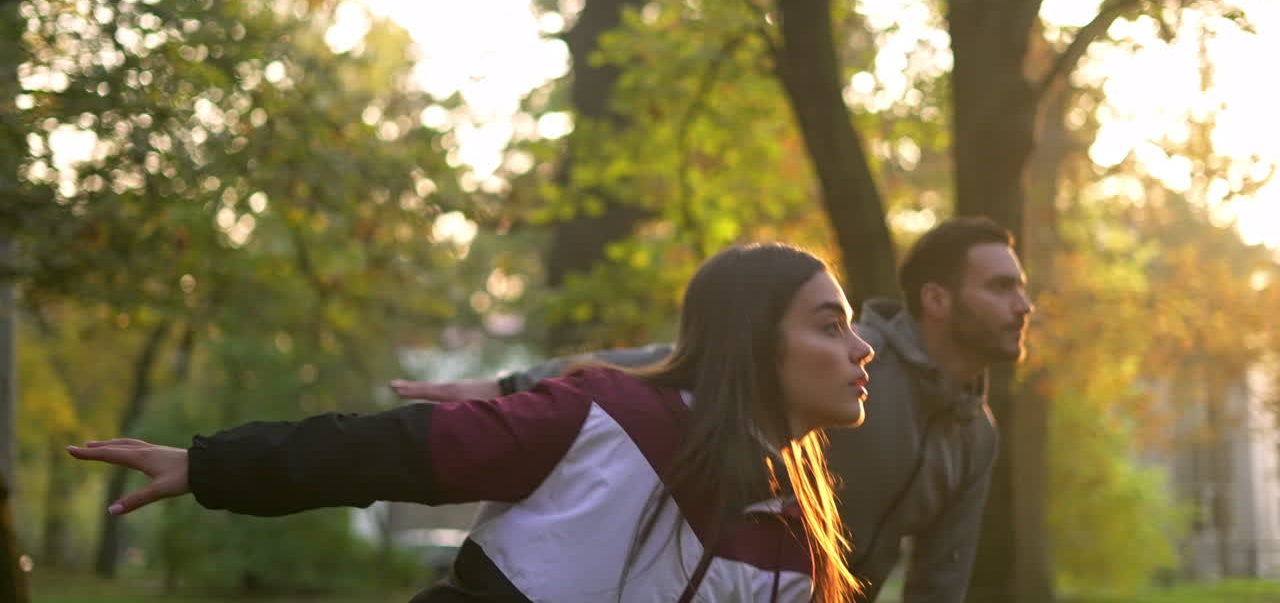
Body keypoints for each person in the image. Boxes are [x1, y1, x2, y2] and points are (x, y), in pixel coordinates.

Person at [68, 242, 873, 603]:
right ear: (752, 344)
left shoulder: (797, 541)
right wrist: (208, 466)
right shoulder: (608, 418)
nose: (862, 350)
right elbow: (384, 452)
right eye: (829, 325)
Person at [392, 216, 1033, 603]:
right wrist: (512, 386)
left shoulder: (976, 437)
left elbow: (940, 579)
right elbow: (683, 360)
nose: (1023, 307)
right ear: (938, 300)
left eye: (1022, 289)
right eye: (1001, 287)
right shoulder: (850, 369)